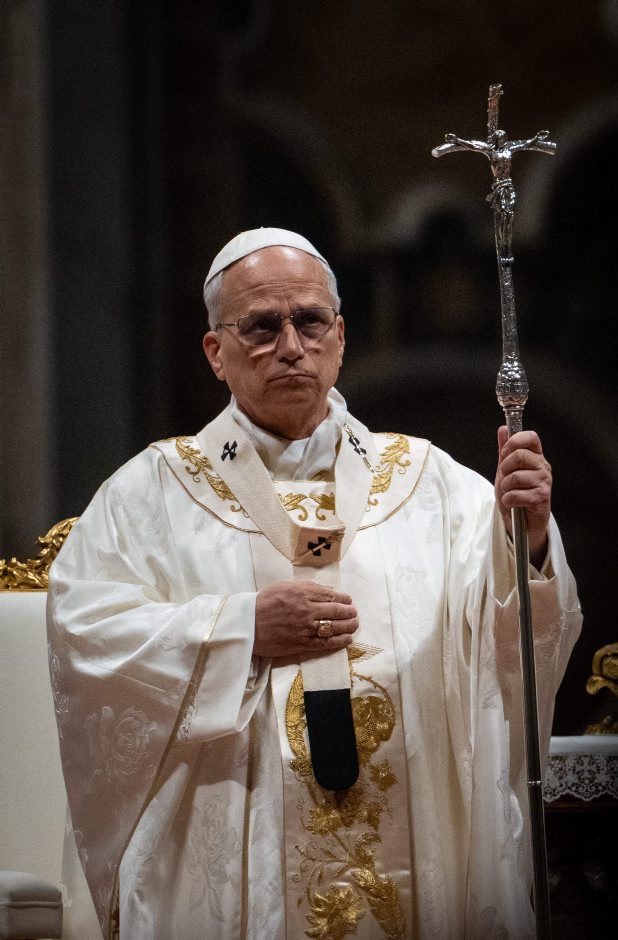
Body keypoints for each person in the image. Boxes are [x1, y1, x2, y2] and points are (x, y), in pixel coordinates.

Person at [47, 228, 582, 940]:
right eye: (261, 327)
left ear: (341, 336)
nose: (291, 346)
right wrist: (240, 629)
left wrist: (529, 538)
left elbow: (507, 637)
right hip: (236, 841)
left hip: (416, 845)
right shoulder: (151, 495)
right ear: (215, 352)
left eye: (310, 321)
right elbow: (87, 634)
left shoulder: (430, 484)